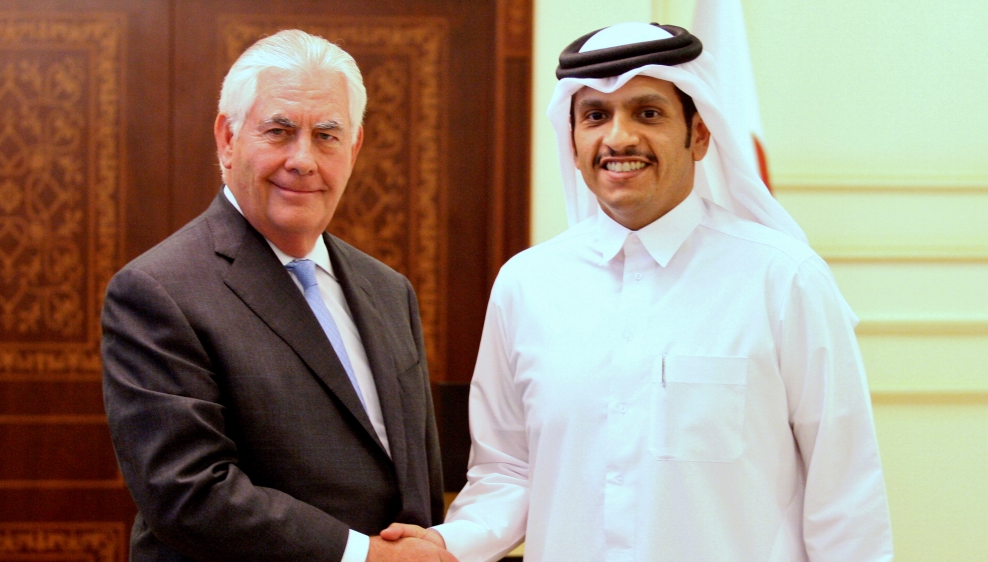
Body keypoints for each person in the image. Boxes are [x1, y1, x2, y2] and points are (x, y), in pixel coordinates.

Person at [381, 22, 893, 561]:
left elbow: (845, 496)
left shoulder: (783, 280)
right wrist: (446, 543)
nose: (619, 138)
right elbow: (508, 471)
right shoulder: (527, 285)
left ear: (699, 135)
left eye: (647, 113)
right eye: (595, 116)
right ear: (573, 142)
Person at [102, 29, 455, 562]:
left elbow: (414, 480)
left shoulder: (388, 290)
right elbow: (187, 493)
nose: (303, 160)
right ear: (227, 137)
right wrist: (363, 557)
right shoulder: (157, 291)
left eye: (328, 136)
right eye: (280, 131)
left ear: (354, 147)